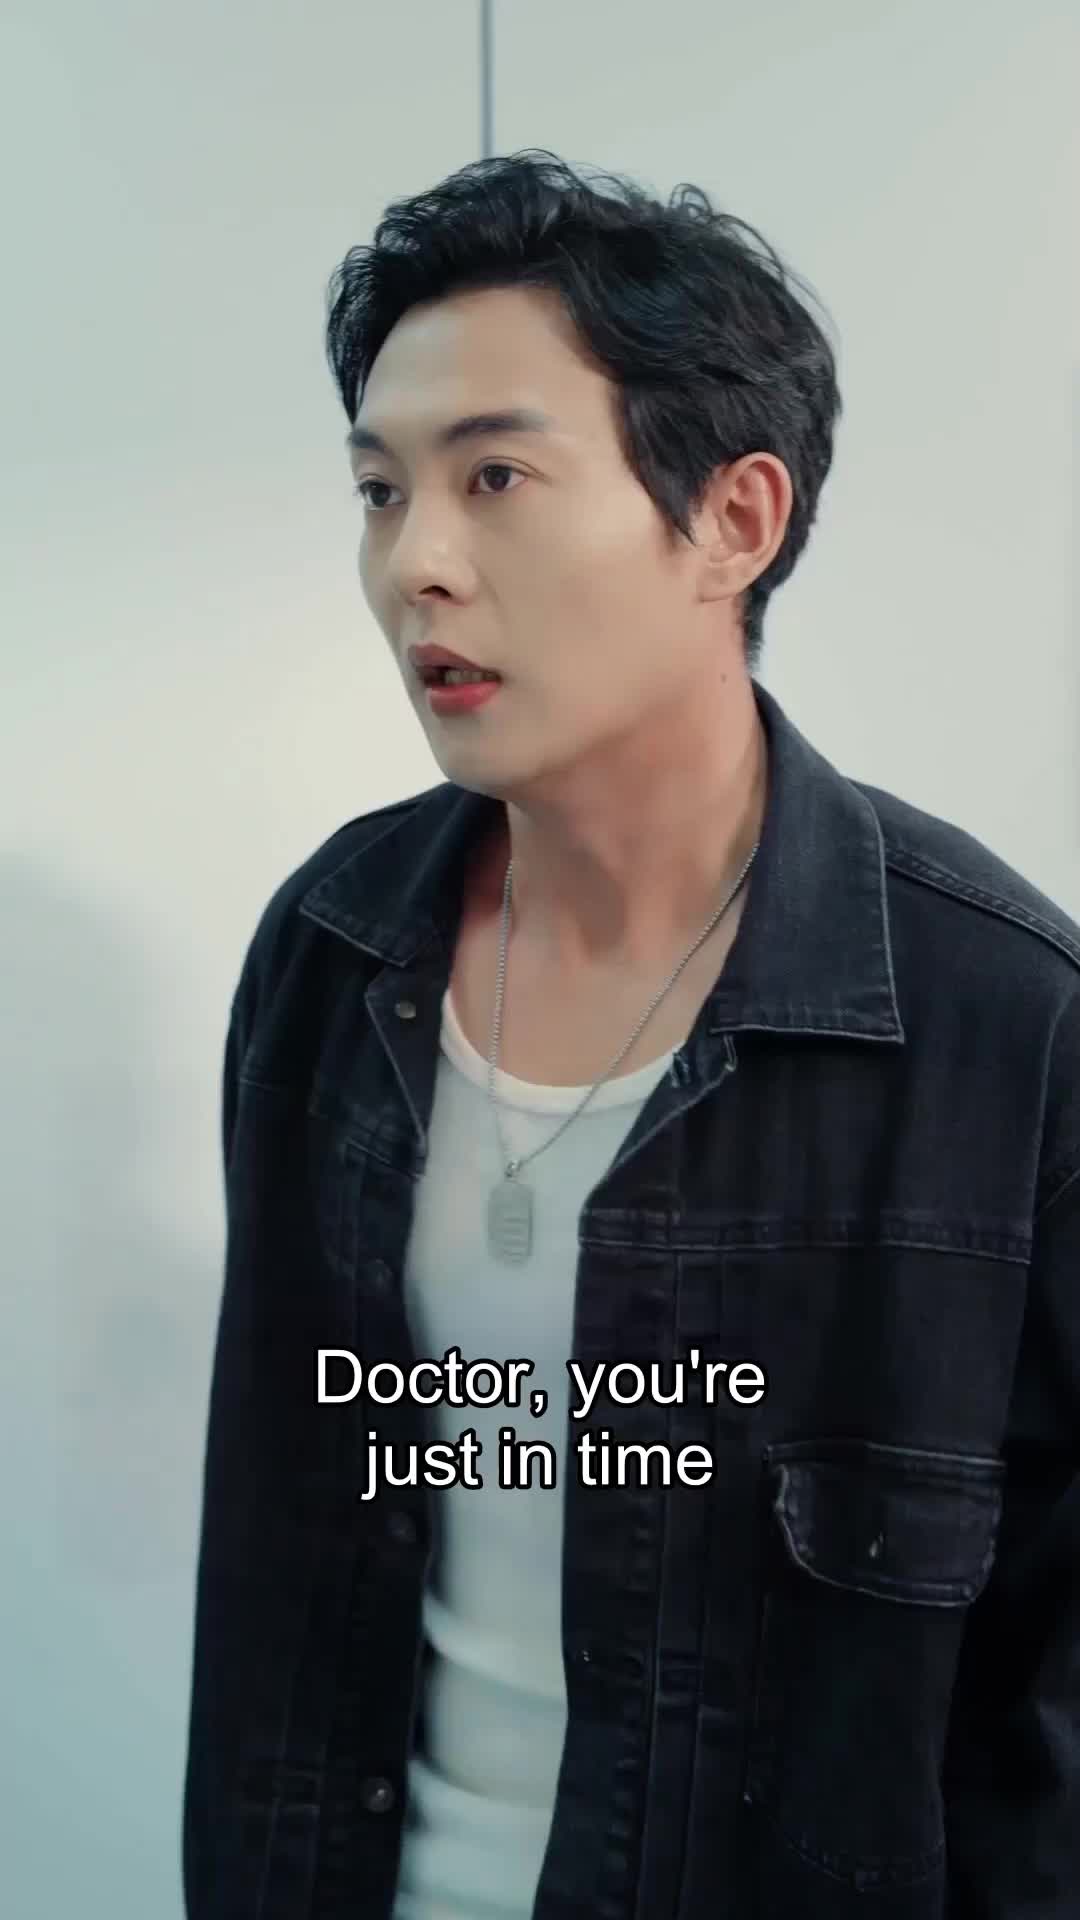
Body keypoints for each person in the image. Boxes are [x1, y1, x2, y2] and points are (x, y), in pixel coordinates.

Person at [182, 150, 1080, 1920]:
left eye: (495, 478)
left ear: (734, 521)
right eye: (379, 490)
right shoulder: (331, 948)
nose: (415, 564)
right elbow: (279, 1573)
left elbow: (1049, 1735)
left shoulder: (1007, 1024)